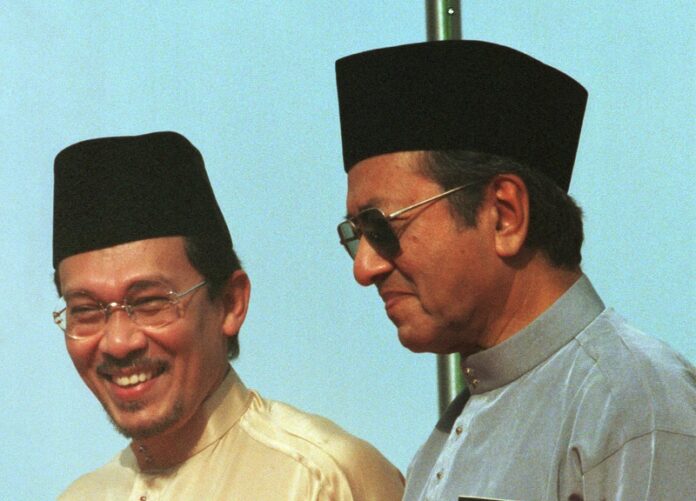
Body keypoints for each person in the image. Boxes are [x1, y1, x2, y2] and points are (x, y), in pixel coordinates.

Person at [334, 40, 696, 500]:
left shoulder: (632, 407)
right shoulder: (442, 445)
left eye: (381, 227)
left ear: (504, 215)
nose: (365, 268)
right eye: (355, 236)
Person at [52, 131, 404, 500]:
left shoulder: (322, 479)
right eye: (87, 311)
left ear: (231, 303)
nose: (119, 342)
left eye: (149, 303)